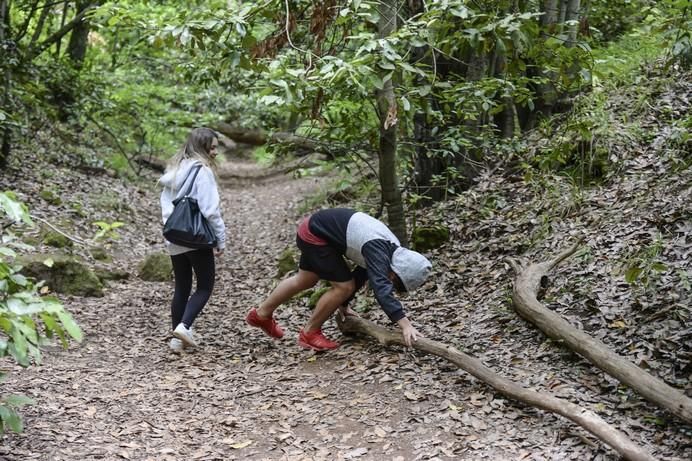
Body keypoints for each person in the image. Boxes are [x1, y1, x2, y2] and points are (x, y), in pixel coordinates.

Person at [246, 208, 431, 351]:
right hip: (316, 235)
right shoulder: (378, 248)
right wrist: (405, 324)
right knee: (343, 287)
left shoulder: (389, 251)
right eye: (394, 279)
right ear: (398, 269)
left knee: (305, 280)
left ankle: (261, 315)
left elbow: (362, 272)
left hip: (313, 228)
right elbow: (381, 290)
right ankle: (310, 333)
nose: (390, 281)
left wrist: (344, 305)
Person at [159, 127, 226, 352]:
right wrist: (221, 238)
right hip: (196, 237)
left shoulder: (174, 169)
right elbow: (210, 210)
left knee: (182, 286)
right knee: (205, 286)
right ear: (203, 147)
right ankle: (184, 326)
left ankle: (177, 340)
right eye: (213, 147)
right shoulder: (202, 171)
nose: (215, 152)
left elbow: (166, 205)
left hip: (174, 234)